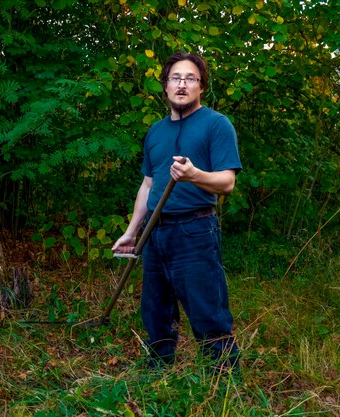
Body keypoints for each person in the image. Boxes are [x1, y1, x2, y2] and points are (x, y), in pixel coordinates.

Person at [112, 52, 242, 371]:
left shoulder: (216, 125)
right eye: (175, 78)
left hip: (195, 230)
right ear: (165, 86)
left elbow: (227, 183)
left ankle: (223, 380)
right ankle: (158, 370)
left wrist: (193, 175)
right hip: (155, 234)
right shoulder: (155, 132)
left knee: (206, 309)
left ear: (202, 87)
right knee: (155, 310)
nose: (182, 84)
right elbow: (147, 186)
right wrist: (132, 232)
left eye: (191, 78)